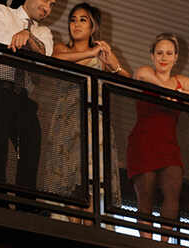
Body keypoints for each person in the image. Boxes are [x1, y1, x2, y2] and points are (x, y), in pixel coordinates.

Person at [126, 34, 189, 240]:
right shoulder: (145, 71)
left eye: (169, 53)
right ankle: (146, 243)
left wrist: (181, 92)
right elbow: (148, 80)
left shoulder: (180, 81)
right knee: (145, 195)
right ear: (152, 56)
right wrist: (176, 92)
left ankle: (164, 242)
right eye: (159, 53)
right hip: (143, 141)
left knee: (173, 190)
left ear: (176, 57)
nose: (163, 58)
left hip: (169, 144)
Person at [44, 4, 126, 211]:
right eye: (73, 19)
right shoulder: (63, 48)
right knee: (68, 180)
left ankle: (90, 225)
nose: (76, 24)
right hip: (67, 117)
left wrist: (113, 63)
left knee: (92, 182)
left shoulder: (101, 53)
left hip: (94, 122)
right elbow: (56, 59)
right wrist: (91, 53)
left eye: (83, 20)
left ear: (93, 26)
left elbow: (126, 80)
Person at [0, 0, 55, 190]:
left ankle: (25, 207)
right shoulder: (1, 12)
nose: (47, 8)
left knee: (31, 150)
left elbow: (44, 59)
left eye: (52, 4)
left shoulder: (43, 32)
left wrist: (28, 36)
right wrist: (26, 43)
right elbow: (6, 46)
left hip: (23, 99)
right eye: (45, 0)